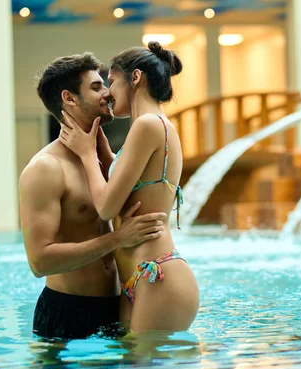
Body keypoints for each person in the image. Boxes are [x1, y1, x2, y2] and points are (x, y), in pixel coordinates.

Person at [20, 52, 167, 340]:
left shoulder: (102, 161)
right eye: (97, 87)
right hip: (69, 313)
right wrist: (117, 239)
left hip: (117, 305)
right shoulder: (46, 169)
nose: (108, 93)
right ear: (69, 98)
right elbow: (39, 262)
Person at [59, 42, 199, 333]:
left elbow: (107, 206)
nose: (108, 94)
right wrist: (105, 152)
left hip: (157, 275)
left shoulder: (147, 124)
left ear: (135, 78)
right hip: (141, 277)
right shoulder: (155, 125)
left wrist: (87, 155)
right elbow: (132, 183)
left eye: (111, 82)